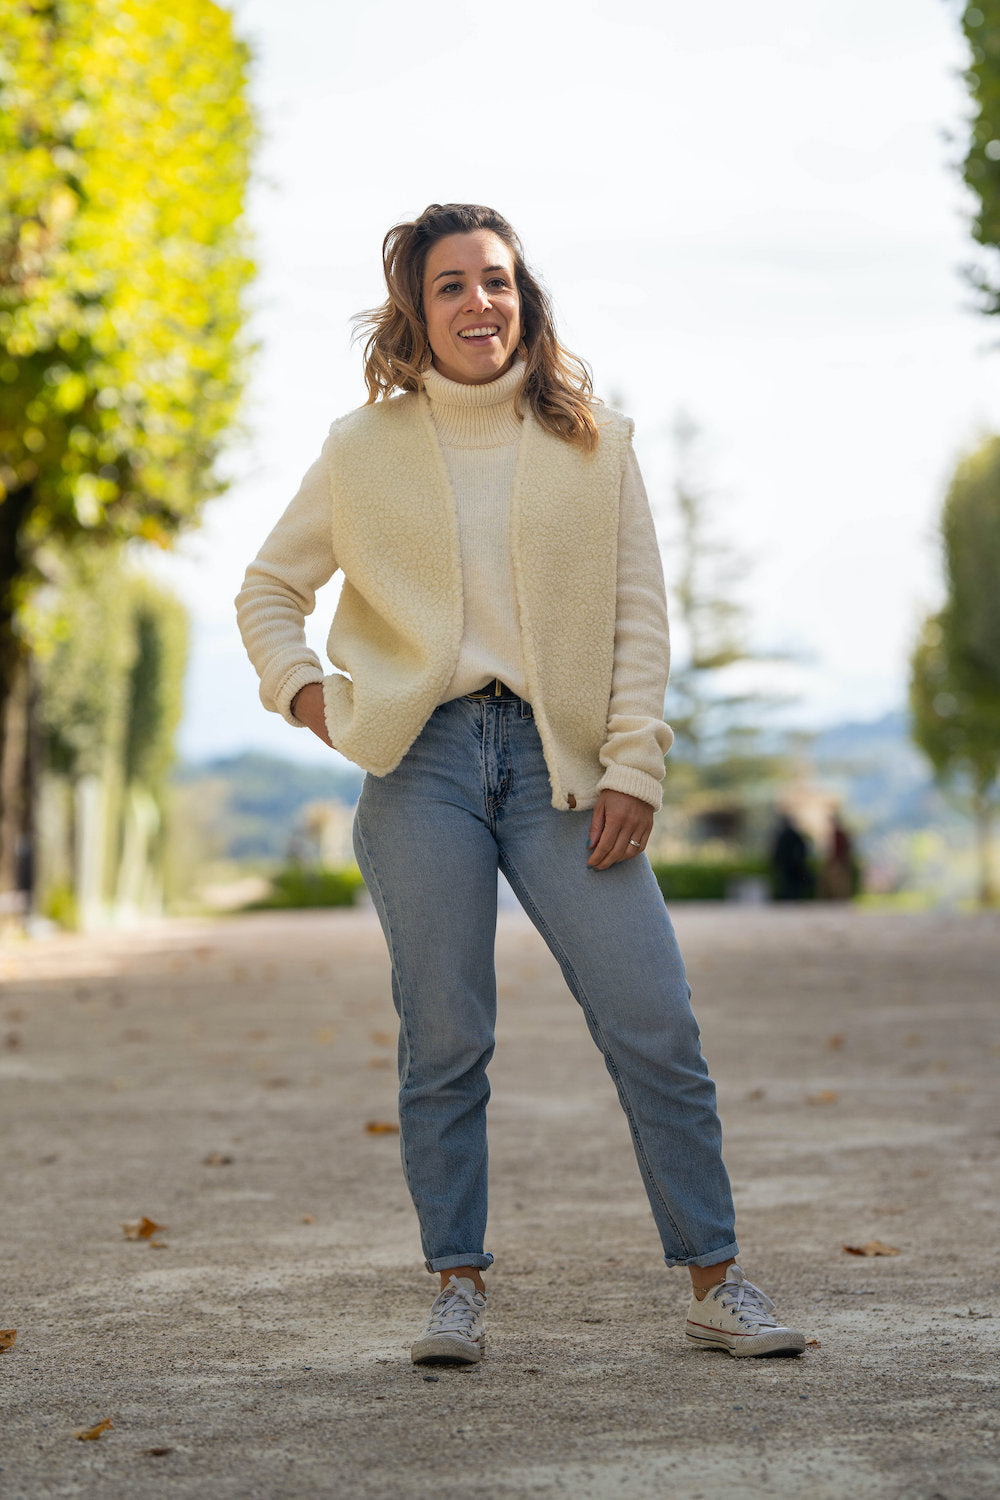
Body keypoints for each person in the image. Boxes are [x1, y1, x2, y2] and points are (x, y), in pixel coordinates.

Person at [235, 203, 805, 1364]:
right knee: (443, 1033)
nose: (478, 303)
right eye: (450, 285)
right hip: (422, 762)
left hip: (564, 765)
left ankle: (715, 1279)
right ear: (416, 310)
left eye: (495, 280)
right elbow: (266, 594)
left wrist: (634, 764)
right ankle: (456, 1283)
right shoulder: (361, 450)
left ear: (524, 298)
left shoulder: (596, 442)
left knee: (654, 1020)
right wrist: (318, 704)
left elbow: (640, 619)